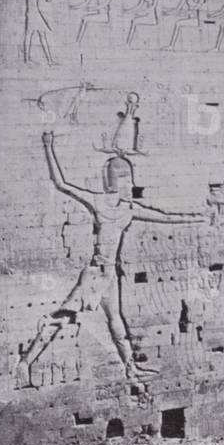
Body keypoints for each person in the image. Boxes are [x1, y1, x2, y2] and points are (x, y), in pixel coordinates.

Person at [15, 102, 208, 388]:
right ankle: (25, 363)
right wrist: (48, 146)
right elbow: (61, 184)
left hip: (109, 276)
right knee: (64, 317)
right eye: (124, 179)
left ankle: (130, 369)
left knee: (116, 321)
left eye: (130, 179)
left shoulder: (128, 209)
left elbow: (165, 217)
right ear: (113, 181)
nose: (129, 184)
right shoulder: (100, 202)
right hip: (95, 274)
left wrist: (196, 218)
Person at [18, 0, 59, 64]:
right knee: (29, 34)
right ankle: (27, 59)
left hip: (36, 12)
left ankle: (49, 60)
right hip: (31, 13)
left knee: (42, 35)